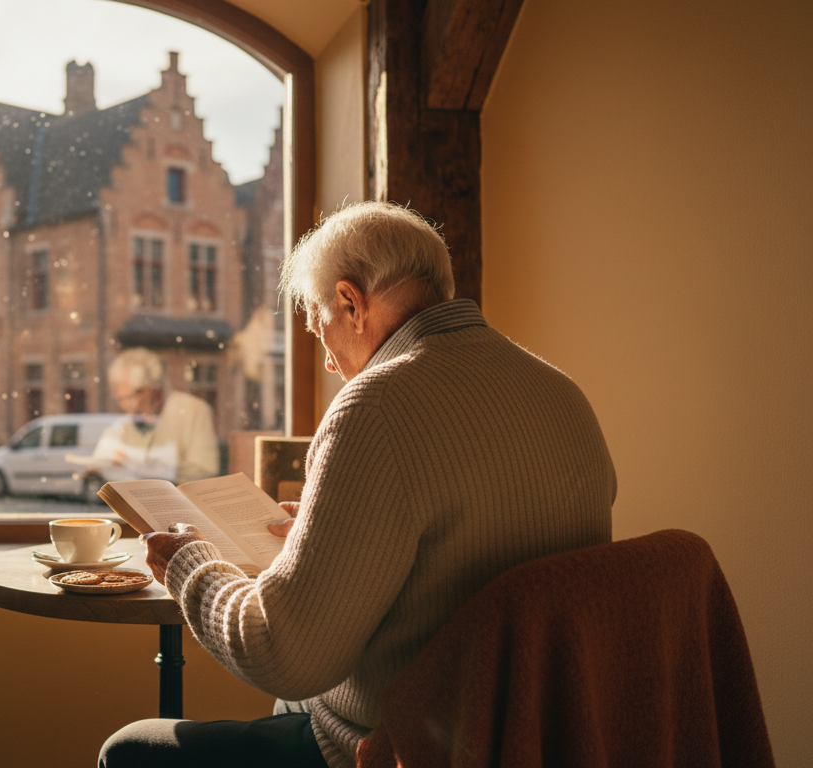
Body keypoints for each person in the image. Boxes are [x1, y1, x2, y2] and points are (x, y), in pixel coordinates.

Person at [100, 202, 616, 768]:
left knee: (127, 750)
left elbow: (284, 656)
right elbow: (473, 551)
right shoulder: (562, 393)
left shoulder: (374, 407)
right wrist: (336, 533)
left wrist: (189, 563)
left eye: (319, 325)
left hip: (396, 748)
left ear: (351, 302)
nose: (326, 360)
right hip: (527, 735)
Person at [88, 347, 220, 485]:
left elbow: (206, 470)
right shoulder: (129, 422)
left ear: (154, 388)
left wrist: (157, 471)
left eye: (131, 396)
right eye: (120, 399)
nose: (125, 406)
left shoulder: (193, 411)